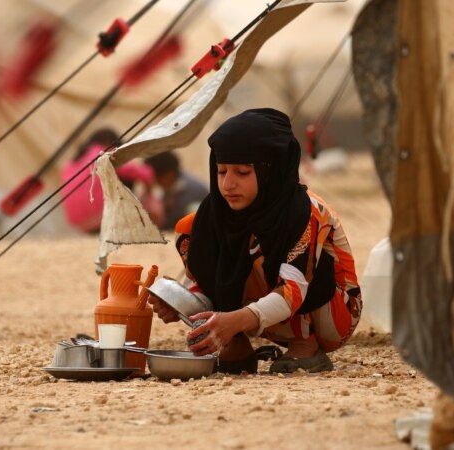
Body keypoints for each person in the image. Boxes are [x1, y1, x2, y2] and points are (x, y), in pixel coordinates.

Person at [148, 108, 362, 374]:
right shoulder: (206, 221)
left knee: (266, 252)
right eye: (222, 171)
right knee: (197, 236)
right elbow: (204, 283)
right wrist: (177, 303)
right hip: (264, 313)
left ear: (270, 171)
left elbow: (294, 289)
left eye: (242, 172)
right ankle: (235, 345)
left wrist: (233, 320)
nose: (227, 184)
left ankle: (304, 345)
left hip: (333, 313)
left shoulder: (306, 214)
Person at [60, 128, 163, 233]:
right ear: (109, 142)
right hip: (99, 215)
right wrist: (149, 193)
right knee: (125, 178)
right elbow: (145, 173)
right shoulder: (102, 153)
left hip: (77, 221)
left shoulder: (70, 164)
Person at [144, 150, 209, 230]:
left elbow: (177, 222)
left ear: (169, 173)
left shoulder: (193, 190)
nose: (155, 182)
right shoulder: (169, 187)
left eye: (157, 178)